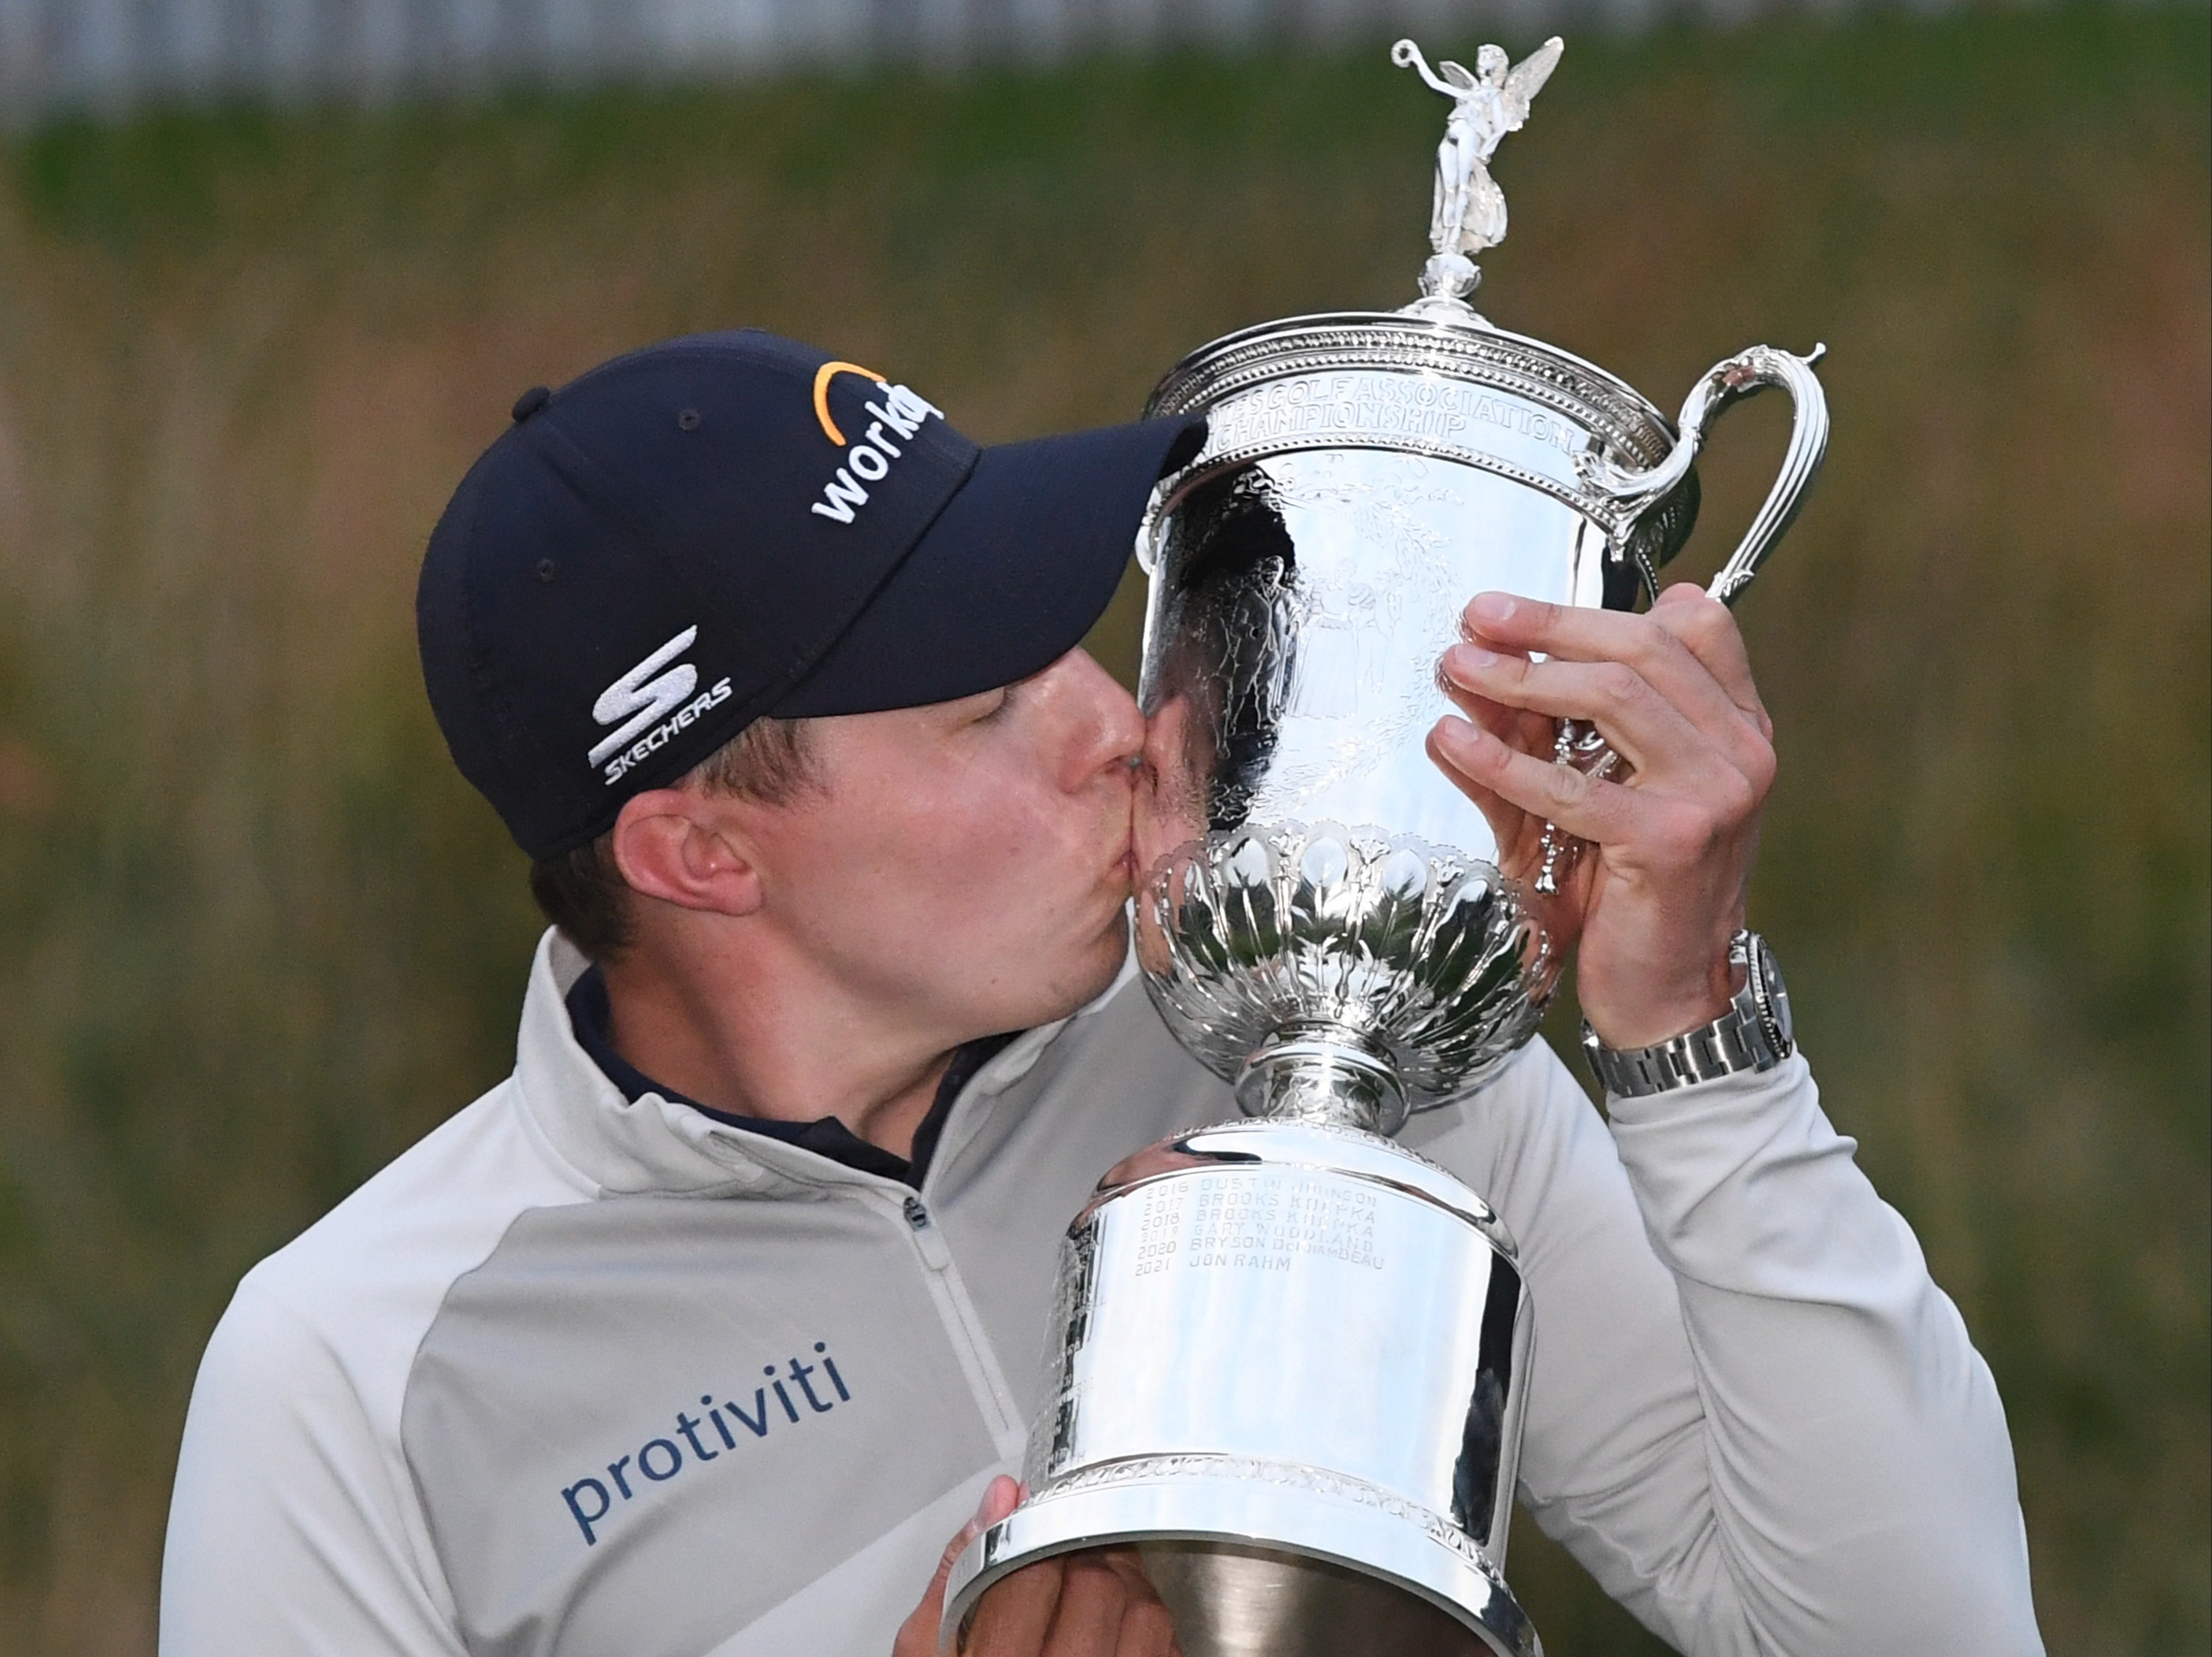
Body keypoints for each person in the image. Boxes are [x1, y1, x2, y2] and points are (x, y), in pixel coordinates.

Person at [159, 329, 2045, 1657]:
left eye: (1064, 635)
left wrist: (1692, 1037)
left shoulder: (1294, 1027)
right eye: (983, 706)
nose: (1117, 732)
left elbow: (1916, 1633)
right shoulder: (351, 1374)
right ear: (699, 854)